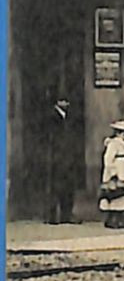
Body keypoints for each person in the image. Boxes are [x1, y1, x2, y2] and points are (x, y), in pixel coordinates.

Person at [42, 94, 80, 224]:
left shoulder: (68, 117)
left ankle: (66, 215)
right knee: (55, 187)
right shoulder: (51, 117)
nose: (66, 105)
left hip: (67, 158)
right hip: (57, 158)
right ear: (58, 103)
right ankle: (52, 216)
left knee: (68, 187)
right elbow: (51, 139)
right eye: (63, 102)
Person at [98, 118, 124, 228]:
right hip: (117, 168)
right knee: (117, 191)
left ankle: (121, 218)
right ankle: (113, 219)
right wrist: (112, 172)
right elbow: (108, 159)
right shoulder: (113, 144)